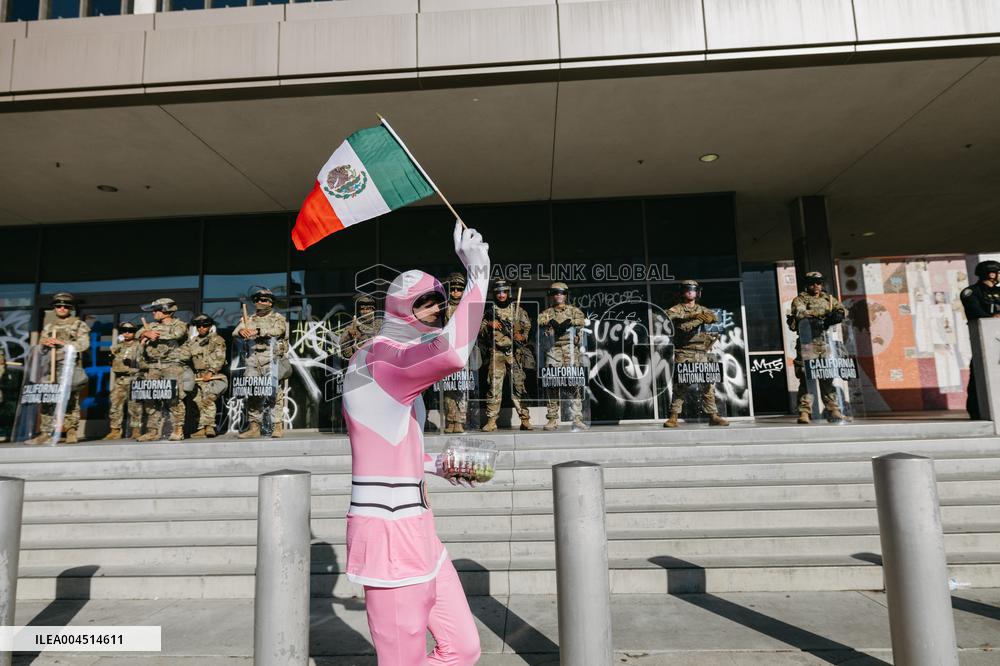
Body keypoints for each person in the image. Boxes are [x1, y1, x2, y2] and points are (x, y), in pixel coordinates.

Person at [341, 221, 486, 666]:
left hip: (420, 531)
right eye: (425, 305)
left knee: (462, 648)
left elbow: (387, 444)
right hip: (386, 537)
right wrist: (478, 277)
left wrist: (435, 463)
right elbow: (451, 353)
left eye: (441, 304)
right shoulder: (380, 357)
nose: (437, 312)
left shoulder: (392, 360)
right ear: (401, 309)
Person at [664, 280, 729, 428]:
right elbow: (669, 316)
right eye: (687, 289)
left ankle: (713, 416)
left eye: (693, 289)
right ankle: (673, 416)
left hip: (701, 351)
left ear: (697, 292)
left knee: (707, 385)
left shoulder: (702, 308)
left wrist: (705, 317)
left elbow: (714, 317)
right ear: (682, 292)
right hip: (684, 351)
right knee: (681, 385)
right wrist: (694, 318)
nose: (690, 292)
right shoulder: (678, 308)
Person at [29, 293, 91, 444]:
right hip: (50, 369)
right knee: (48, 399)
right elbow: (39, 348)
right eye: (58, 306)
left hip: (68, 367)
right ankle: (45, 433)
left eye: (66, 306)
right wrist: (44, 345)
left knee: (70, 400)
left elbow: (83, 345)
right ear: (54, 308)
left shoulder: (78, 325)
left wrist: (62, 344)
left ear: (70, 308)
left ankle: (71, 431)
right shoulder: (49, 327)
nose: (62, 308)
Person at [787, 271, 847, 424]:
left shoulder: (829, 299)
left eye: (819, 283)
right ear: (807, 284)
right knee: (808, 379)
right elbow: (801, 313)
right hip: (808, 343)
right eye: (813, 283)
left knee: (827, 377)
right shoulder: (800, 299)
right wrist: (825, 314)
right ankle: (804, 411)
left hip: (825, 343)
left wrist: (838, 315)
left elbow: (842, 310)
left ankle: (833, 409)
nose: (816, 286)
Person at [481, 278, 533, 431]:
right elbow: (480, 330)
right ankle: (491, 421)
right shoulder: (490, 311)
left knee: (518, 386)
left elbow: (527, 328)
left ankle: (525, 419)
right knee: (494, 387)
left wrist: (521, 336)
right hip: (496, 353)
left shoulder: (517, 310)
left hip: (514, 353)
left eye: (504, 292)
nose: (502, 295)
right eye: (499, 292)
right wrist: (489, 325)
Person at [237, 288, 288, 439]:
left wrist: (257, 331)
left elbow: (279, 330)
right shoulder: (249, 318)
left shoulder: (278, 318)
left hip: (270, 358)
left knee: (274, 393)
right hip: (253, 359)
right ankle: (254, 428)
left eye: (264, 299)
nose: (260, 302)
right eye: (258, 299)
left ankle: (277, 426)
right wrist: (242, 332)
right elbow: (236, 331)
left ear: (271, 302)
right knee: (253, 392)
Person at [137, 298, 190, 442]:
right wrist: (144, 334)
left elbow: (177, 334)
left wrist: (154, 334)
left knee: (173, 398)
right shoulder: (151, 325)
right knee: (150, 398)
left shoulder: (179, 324)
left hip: (171, 365)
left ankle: (178, 430)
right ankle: (152, 431)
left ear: (167, 310)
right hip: (152, 366)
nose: (154, 313)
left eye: (157, 310)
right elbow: (138, 334)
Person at [537, 281, 587, 431]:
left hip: (570, 350)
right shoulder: (547, 312)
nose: (559, 295)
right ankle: (552, 418)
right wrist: (551, 321)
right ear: (552, 296)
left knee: (574, 384)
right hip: (553, 350)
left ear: (566, 295)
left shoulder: (574, 311)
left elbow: (581, 321)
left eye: (561, 293)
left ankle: (576, 417)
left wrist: (568, 322)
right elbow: (540, 320)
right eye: (556, 293)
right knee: (552, 384)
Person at [960, 260, 1000, 419]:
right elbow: (974, 312)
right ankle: (977, 412)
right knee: (979, 378)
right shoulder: (971, 292)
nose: (997, 275)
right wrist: (992, 317)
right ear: (990, 273)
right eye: (996, 272)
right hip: (984, 341)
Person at [186, 314, 228, 438]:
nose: (201, 328)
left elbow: (220, 358)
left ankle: (210, 426)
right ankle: (200, 427)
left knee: (208, 399)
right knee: (197, 401)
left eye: (204, 325)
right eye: (198, 326)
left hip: (214, 376)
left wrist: (211, 371)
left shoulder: (217, 340)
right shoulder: (192, 342)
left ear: (209, 326)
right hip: (197, 376)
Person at [442, 272, 472, 433]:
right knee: (448, 387)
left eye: (459, 289)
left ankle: (460, 420)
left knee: (461, 386)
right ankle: (450, 420)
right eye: (452, 289)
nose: (455, 292)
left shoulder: (467, 306)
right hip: (447, 351)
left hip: (463, 351)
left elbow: (477, 328)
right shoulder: (444, 307)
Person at [103, 321, 142, 440]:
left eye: (130, 331)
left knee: (135, 406)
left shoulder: (139, 345)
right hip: (119, 379)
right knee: (115, 405)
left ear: (134, 333)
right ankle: (115, 430)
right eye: (124, 331)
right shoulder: (118, 346)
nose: (127, 333)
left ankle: (136, 430)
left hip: (134, 378)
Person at [339, 294, 381, 361]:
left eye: (368, 309)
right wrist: (353, 350)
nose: (365, 311)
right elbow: (343, 347)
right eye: (362, 309)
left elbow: (378, 336)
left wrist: (360, 326)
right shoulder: (352, 326)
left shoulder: (380, 323)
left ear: (373, 310)